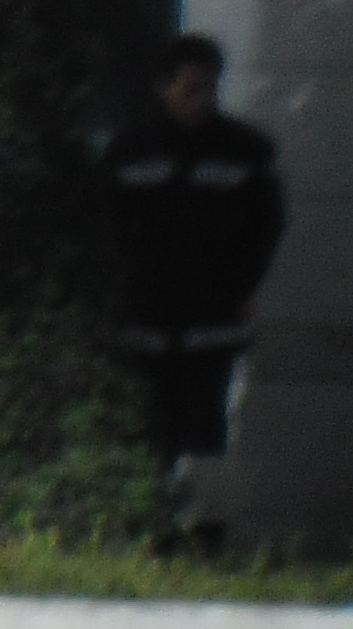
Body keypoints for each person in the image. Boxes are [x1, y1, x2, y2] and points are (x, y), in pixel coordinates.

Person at [108, 32, 286, 501]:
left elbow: (267, 226)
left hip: (213, 322)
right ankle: (150, 520)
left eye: (208, 88)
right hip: (145, 322)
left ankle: (204, 527)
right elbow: (106, 227)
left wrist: (242, 285)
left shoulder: (246, 151)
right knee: (148, 431)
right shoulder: (129, 150)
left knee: (205, 433)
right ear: (163, 88)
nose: (202, 100)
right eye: (190, 90)